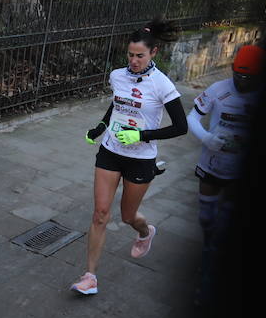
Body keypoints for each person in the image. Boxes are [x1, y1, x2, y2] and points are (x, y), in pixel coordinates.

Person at [71, 20, 188, 295]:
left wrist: (141, 135)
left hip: (140, 159)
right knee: (100, 214)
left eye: (140, 56)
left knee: (127, 216)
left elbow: (181, 127)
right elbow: (117, 103)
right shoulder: (117, 76)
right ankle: (90, 277)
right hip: (111, 152)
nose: (134, 61)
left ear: (154, 53)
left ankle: (146, 232)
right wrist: (101, 127)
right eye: (130, 55)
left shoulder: (162, 85)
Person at [186, 43, 264, 306]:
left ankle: (207, 279)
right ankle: (207, 252)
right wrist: (208, 139)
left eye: (248, 77)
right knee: (206, 218)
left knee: (223, 227)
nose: (242, 81)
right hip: (212, 164)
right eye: (238, 75)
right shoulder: (218, 90)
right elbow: (191, 118)